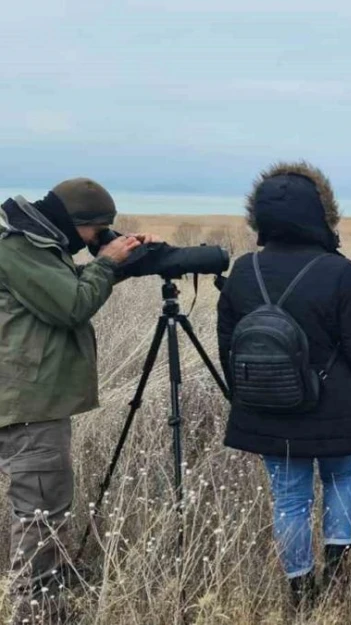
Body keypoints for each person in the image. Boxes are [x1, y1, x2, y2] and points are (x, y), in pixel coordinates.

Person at [217, 162, 351, 608]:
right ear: (322, 213)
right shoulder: (339, 271)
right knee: (339, 478)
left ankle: (300, 591)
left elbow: (228, 348)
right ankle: (338, 574)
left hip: (268, 405)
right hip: (336, 403)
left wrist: (248, 399)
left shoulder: (242, 270)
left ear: (258, 216)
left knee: (289, 498)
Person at [0, 180, 153, 621]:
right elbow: (70, 305)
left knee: (39, 507)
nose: (93, 241)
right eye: (96, 230)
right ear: (74, 224)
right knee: (41, 511)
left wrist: (121, 257)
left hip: (27, 398)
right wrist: (107, 264)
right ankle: (36, 609)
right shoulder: (21, 249)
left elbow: (67, 287)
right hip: (30, 405)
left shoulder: (37, 244)